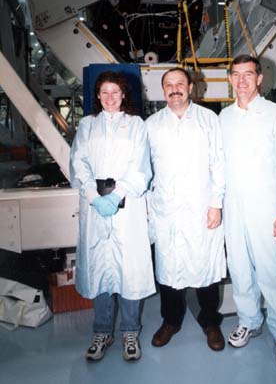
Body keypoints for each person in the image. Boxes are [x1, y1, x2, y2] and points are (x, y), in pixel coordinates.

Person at [220, 54, 276, 367]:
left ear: (259, 79)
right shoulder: (224, 118)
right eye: (236, 74)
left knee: (273, 274)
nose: (242, 81)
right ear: (229, 79)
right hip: (234, 211)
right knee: (240, 272)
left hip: (268, 211)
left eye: (248, 74)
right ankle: (249, 321)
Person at [70, 70, 155, 362]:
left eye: (115, 93)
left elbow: (141, 167)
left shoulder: (136, 126)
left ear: (123, 96)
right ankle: (102, 331)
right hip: (94, 208)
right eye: (104, 93)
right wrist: (94, 198)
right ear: (97, 96)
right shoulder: (87, 125)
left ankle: (130, 331)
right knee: (99, 269)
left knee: (128, 269)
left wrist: (117, 196)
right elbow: (78, 162)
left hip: (126, 205)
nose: (109, 98)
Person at [146, 67, 226, 351]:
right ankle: (171, 321)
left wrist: (216, 204)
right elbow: (145, 170)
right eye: (169, 84)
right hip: (166, 209)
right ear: (163, 90)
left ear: (191, 88)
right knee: (169, 268)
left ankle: (211, 322)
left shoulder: (209, 120)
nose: (175, 88)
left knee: (205, 267)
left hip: (201, 208)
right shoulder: (151, 125)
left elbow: (219, 164)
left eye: (180, 83)